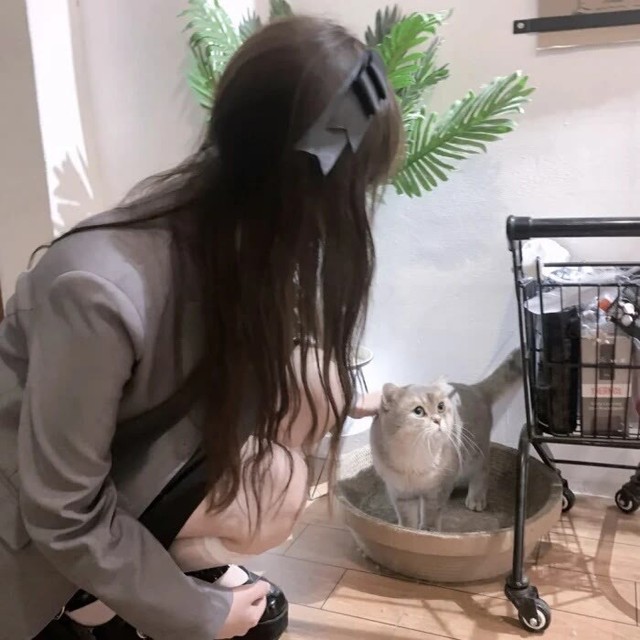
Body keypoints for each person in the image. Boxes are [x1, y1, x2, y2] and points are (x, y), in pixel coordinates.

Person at [0, 15, 401, 640]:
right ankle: (82, 600)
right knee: (273, 494)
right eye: (353, 192)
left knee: (289, 457)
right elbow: (62, 512)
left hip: (133, 461)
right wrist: (200, 614)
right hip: (35, 534)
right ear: (302, 189)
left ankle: (138, 576)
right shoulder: (98, 288)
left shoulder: (235, 241)